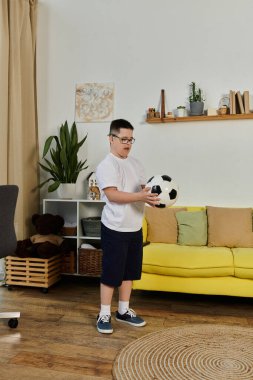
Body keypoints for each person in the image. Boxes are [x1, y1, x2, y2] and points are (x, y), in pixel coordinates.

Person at [95, 118, 159, 334]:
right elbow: (112, 195)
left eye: (131, 139)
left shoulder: (136, 163)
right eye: (123, 139)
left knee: (129, 272)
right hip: (114, 227)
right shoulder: (107, 165)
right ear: (111, 139)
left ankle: (123, 311)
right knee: (111, 273)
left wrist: (152, 196)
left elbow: (143, 188)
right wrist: (140, 195)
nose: (128, 143)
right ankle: (104, 313)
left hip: (134, 227)